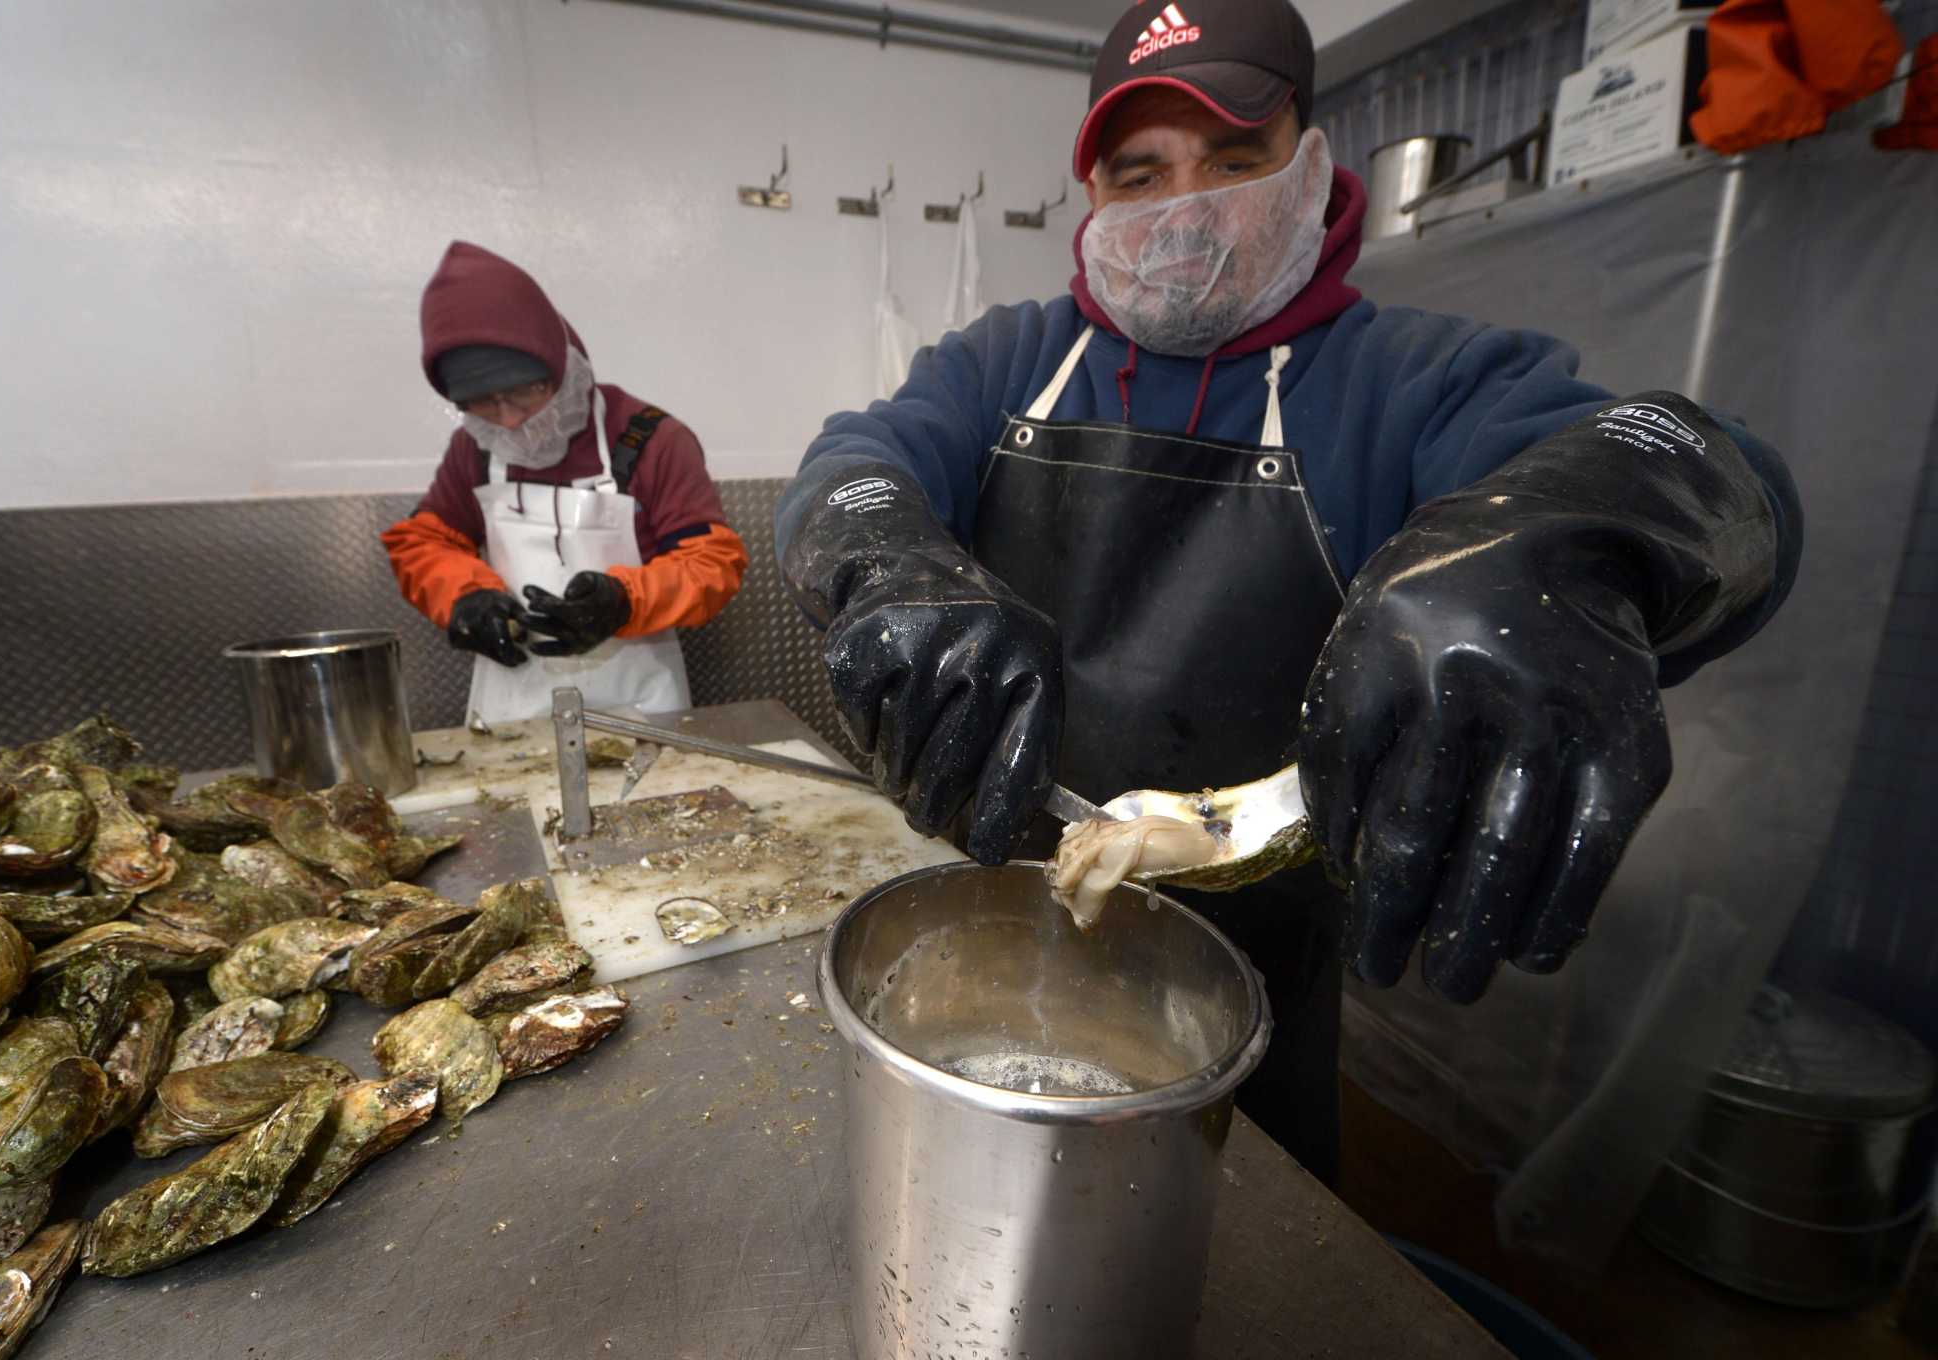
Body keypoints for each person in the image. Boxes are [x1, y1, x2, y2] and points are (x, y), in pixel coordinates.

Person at [774, 0, 1803, 1182]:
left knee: (1253, 1246)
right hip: (998, 899)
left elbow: (1716, 470)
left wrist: (1564, 545)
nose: (1182, 205)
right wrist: (887, 560)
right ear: (1092, 199)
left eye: (1230, 158)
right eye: (1139, 172)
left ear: (1308, 165)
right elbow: (853, 464)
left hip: (1263, 963)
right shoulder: (1007, 360)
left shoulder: (1411, 379)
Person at [383, 242, 747, 722]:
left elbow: (712, 563)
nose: (509, 421)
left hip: (642, 708)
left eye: (523, 393)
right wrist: (463, 595)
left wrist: (622, 602)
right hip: (511, 711)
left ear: (559, 366)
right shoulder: (474, 448)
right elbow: (423, 543)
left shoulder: (652, 440)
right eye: (483, 404)